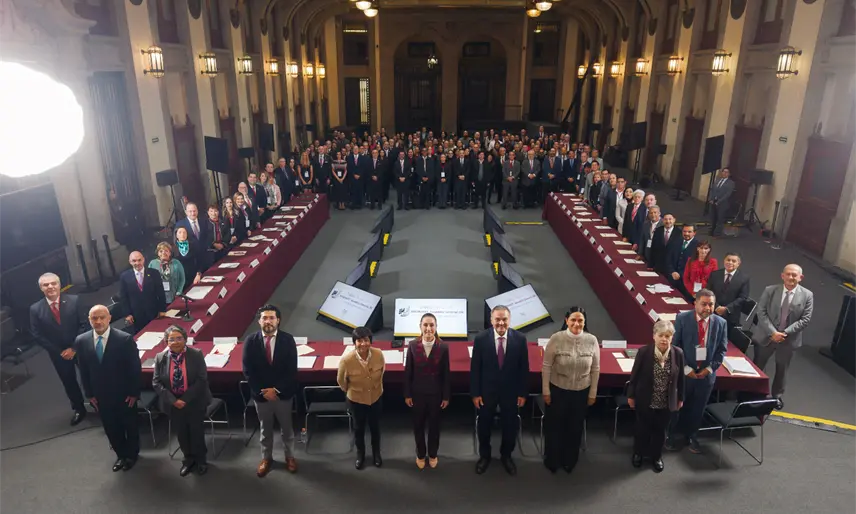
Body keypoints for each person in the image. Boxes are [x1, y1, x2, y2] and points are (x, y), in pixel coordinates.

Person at [74, 305, 141, 472]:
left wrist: (134, 393)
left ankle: (132, 455)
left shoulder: (124, 339)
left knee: (129, 425)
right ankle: (121, 455)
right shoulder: (81, 341)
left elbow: (134, 369)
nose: (98, 321)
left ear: (109, 318)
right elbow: (83, 370)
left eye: (102, 317)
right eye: (94, 318)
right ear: (89, 320)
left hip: (124, 394)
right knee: (110, 427)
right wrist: (89, 394)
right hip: (100, 394)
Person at [666, 290, 727, 454]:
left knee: (698, 408)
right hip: (684, 373)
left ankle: (692, 435)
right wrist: (686, 368)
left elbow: (721, 350)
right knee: (676, 405)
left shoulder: (721, 323)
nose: (708, 308)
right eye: (704, 304)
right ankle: (670, 434)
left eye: (711, 304)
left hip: (706, 376)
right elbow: (675, 347)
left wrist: (709, 369)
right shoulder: (682, 319)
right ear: (695, 303)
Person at [471, 305, 529, 476]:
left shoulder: (520, 339)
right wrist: (475, 393)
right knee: (484, 426)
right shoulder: (481, 339)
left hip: (510, 393)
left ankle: (506, 456)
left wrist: (522, 393)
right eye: (497, 319)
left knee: (510, 426)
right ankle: (485, 456)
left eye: (504, 319)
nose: (501, 323)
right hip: (486, 393)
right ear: (491, 320)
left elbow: (523, 369)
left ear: (510, 320)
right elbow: (475, 368)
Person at [242, 304, 299, 477]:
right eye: (264, 318)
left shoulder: (288, 340)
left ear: (278, 320)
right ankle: (266, 458)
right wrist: (263, 391)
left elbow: (292, 369)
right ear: (259, 321)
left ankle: (289, 457)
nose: (268, 321)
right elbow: (247, 370)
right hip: (261, 397)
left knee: (287, 429)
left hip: (283, 395)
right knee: (265, 429)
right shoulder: (250, 341)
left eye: (271, 318)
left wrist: (276, 390)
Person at [541, 307, 600, 474]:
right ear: (566, 320)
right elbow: (546, 367)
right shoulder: (556, 339)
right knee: (554, 427)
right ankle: (552, 459)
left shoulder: (592, 340)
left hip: (581, 391)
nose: (577, 323)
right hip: (558, 390)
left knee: (574, 428)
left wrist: (592, 393)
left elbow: (595, 368)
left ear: (585, 322)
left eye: (580, 320)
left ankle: (570, 460)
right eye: (573, 319)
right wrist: (546, 391)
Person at [751, 264, 814, 410]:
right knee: (757, 365)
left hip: (788, 340)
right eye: (788, 274)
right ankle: (752, 392)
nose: (791, 277)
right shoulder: (770, 290)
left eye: (794, 275)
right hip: (767, 336)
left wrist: (784, 333)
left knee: (782, 369)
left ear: (801, 278)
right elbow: (761, 312)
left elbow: (805, 319)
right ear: (782, 275)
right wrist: (773, 332)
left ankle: (776, 397)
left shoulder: (807, 295)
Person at [29, 272, 88, 425]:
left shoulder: (74, 301)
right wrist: (60, 351)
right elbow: (37, 335)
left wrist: (73, 348)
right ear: (41, 288)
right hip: (58, 354)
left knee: (90, 376)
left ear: (59, 284)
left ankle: (99, 402)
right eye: (46, 285)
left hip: (79, 347)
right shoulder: (35, 309)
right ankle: (79, 409)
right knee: (69, 382)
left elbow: (84, 325)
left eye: (53, 283)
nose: (50, 287)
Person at [152, 325, 211, 476]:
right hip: (173, 404)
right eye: (171, 339)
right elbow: (156, 382)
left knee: (196, 432)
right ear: (166, 341)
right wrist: (173, 400)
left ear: (185, 339)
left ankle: (201, 460)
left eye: (179, 338)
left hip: (194, 401)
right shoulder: (160, 357)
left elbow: (201, 379)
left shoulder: (196, 354)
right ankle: (188, 459)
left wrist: (184, 399)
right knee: (181, 433)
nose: (176, 342)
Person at [628, 320, 685, 473]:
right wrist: (631, 396)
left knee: (660, 431)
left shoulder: (678, 353)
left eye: (667, 336)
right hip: (645, 398)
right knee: (642, 428)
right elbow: (634, 376)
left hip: (666, 401)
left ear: (672, 337)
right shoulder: (644, 352)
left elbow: (681, 379)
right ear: (654, 336)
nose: (664, 339)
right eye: (660, 335)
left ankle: (656, 457)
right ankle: (638, 453)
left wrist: (681, 398)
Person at [403, 313, 450, 470]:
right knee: (418, 425)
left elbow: (446, 374)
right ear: (420, 327)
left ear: (436, 327)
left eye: (432, 325)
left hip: (436, 395)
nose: (428, 328)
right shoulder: (412, 345)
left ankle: (433, 453)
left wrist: (446, 396)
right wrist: (407, 394)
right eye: (425, 325)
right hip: (417, 394)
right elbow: (408, 371)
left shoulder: (443, 347)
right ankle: (421, 454)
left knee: (434, 426)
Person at [337, 326, 386, 470]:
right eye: (359, 341)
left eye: (366, 340)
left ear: (370, 341)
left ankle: (376, 453)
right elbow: (341, 381)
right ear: (354, 342)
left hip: (375, 398)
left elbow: (382, 372)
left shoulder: (378, 354)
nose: (363, 344)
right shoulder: (346, 360)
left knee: (375, 428)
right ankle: (361, 455)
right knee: (359, 429)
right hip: (356, 400)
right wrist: (351, 391)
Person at [118, 251, 166, 333]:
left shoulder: (154, 273)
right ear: (130, 262)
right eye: (134, 261)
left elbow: (160, 292)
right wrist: (127, 314)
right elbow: (123, 297)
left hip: (153, 312)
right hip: (136, 315)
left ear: (143, 260)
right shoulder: (125, 276)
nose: (137, 263)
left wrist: (162, 309)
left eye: (139, 260)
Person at [708, 252, 751, 333]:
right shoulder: (715, 274)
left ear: (738, 264)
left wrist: (726, 308)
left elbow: (743, 297)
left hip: (731, 315)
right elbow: (709, 292)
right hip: (712, 310)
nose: (730, 262)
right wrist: (716, 307)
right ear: (724, 261)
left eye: (734, 261)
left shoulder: (744, 278)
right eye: (728, 260)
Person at [665, 224, 699, 299]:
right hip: (672, 279)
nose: (686, 234)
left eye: (689, 232)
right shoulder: (675, 242)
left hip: (686, 284)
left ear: (694, 233)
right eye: (684, 231)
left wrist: (680, 274)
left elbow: (696, 266)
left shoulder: (698, 246)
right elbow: (668, 258)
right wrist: (672, 271)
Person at [708, 168, 734, 237]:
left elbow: (728, 194)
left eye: (726, 172)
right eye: (724, 172)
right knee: (713, 217)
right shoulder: (717, 180)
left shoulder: (731, 183)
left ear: (729, 174)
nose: (725, 173)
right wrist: (710, 199)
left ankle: (717, 234)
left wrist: (719, 201)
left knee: (720, 219)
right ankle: (711, 231)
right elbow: (712, 190)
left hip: (722, 203)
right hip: (713, 201)